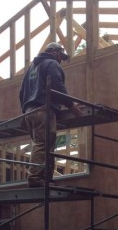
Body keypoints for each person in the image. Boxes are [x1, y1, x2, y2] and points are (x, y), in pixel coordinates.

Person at [19, 41, 82, 187]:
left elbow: (22, 92)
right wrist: (71, 105)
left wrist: (25, 110)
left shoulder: (31, 68)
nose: (61, 60)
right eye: (60, 55)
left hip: (30, 112)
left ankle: (46, 179)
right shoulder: (51, 64)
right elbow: (57, 87)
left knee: (42, 145)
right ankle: (35, 178)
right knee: (43, 144)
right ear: (54, 52)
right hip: (43, 110)